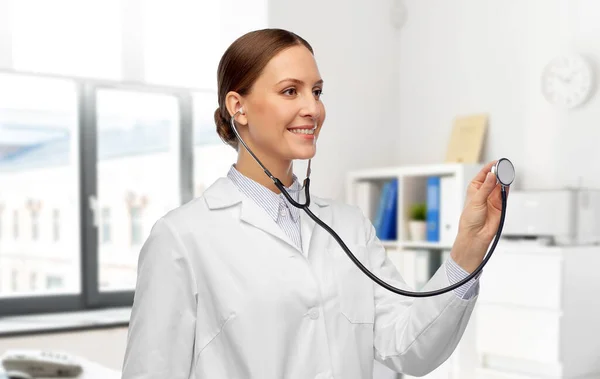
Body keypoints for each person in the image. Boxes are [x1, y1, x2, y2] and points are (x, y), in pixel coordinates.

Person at [121, 28, 505, 379]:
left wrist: (468, 248)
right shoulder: (182, 238)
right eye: (291, 91)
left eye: (317, 91)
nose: (313, 109)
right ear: (238, 106)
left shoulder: (349, 226)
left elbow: (410, 349)